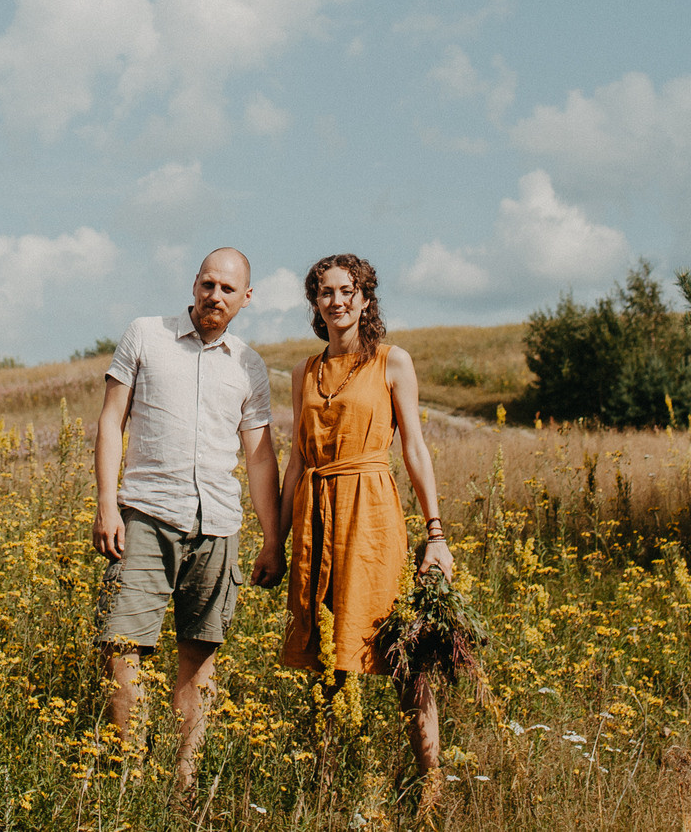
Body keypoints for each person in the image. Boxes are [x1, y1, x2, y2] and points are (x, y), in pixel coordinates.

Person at [93, 246, 286, 794]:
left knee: (199, 660)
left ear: (246, 299)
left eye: (228, 290)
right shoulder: (145, 334)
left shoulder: (249, 365)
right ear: (194, 284)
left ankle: (182, 785)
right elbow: (111, 422)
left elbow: (260, 457)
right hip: (146, 515)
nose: (214, 296)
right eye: (207, 284)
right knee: (122, 647)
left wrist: (273, 539)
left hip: (218, 526)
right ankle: (125, 783)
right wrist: (107, 503)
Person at [271, 253, 455, 792]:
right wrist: (274, 544)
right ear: (316, 304)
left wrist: (435, 533)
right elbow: (296, 462)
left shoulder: (391, 362)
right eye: (326, 292)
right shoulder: (305, 371)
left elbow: (415, 450)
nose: (338, 300)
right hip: (315, 516)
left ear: (366, 299)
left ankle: (432, 783)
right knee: (326, 654)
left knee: (402, 652)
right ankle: (328, 783)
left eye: (348, 290)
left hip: (372, 515)